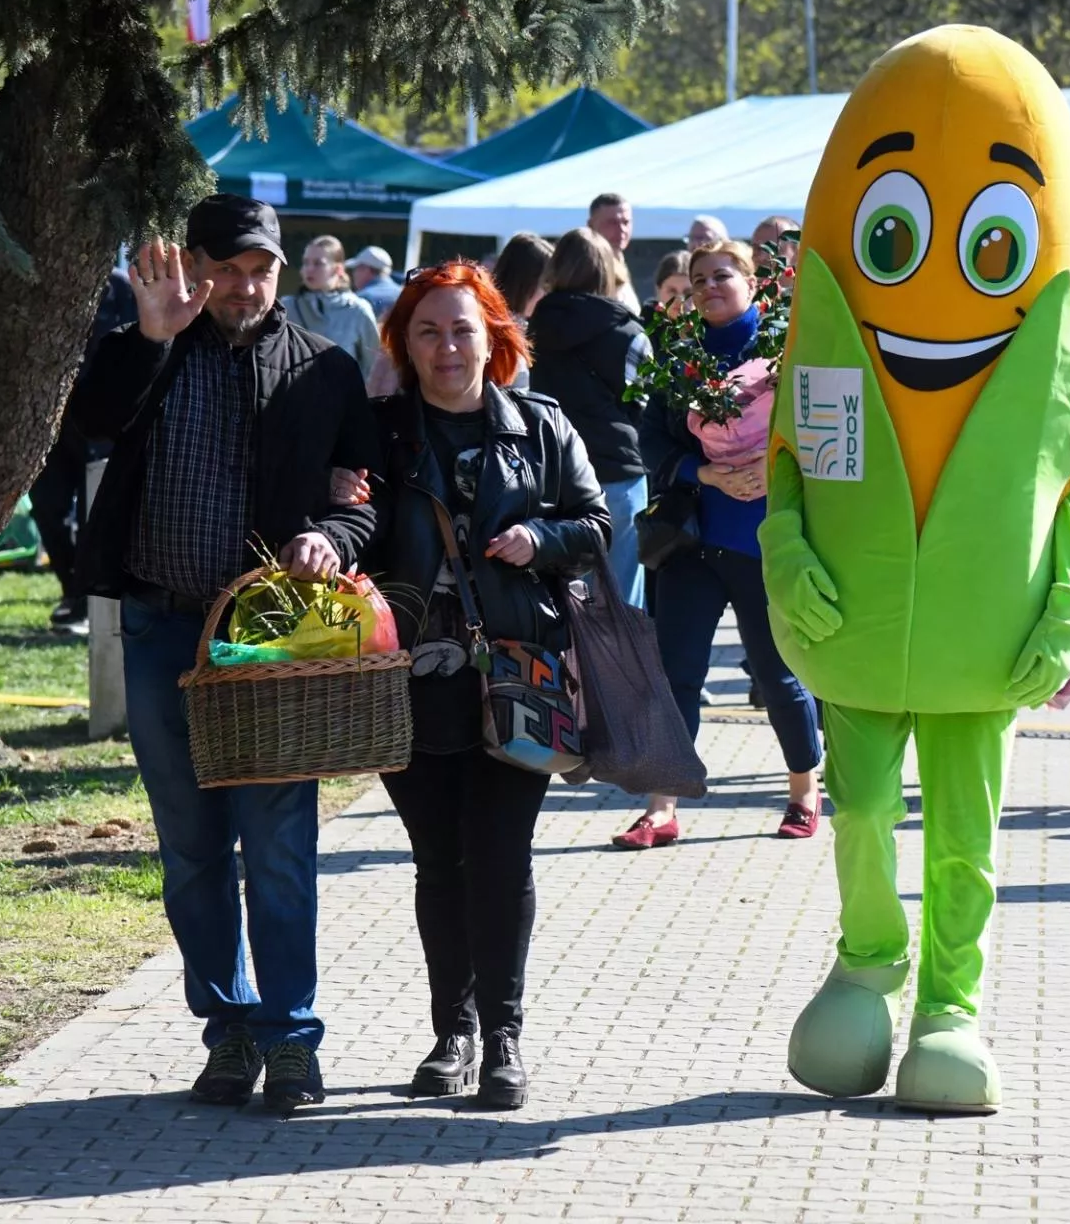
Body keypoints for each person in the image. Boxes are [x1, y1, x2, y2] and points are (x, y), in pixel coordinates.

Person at [70, 194, 382, 1113]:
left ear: (281, 272)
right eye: (230, 270)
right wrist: (152, 338)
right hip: (160, 629)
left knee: (279, 848)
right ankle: (229, 1029)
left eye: (262, 270)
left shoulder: (323, 368)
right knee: (193, 852)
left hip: (269, 645)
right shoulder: (150, 351)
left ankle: (291, 1040)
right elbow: (89, 423)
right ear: (195, 270)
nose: (247, 287)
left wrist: (334, 536)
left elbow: (361, 496)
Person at [367, 260, 610, 1109]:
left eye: (462, 328)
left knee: (501, 859)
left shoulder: (538, 426)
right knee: (439, 862)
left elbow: (596, 523)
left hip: (519, 677)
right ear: (403, 341)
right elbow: (354, 522)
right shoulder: (383, 433)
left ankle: (502, 1035)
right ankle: (452, 1032)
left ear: (494, 336)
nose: (445, 346)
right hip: (408, 682)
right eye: (426, 331)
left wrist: (538, 540)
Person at [616, 239, 824, 849]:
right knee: (676, 672)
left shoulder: (786, 349)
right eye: (698, 278)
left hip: (764, 538)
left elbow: (823, 427)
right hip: (692, 541)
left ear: (754, 281)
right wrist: (701, 473)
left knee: (778, 671)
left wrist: (777, 465)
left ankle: (803, 791)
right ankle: (662, 806)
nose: (708, 286)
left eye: (721, 275)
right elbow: (649, 443)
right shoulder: (677, 358)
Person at [526, 228, 652, 607]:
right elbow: (644, 404)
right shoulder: (628, 331)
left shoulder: (533, 330)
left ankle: (567, 668)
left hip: (553, 474)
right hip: (618, 471)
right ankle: (623, 669)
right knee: (622, 598)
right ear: (607, 270)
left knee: (562, 600)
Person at [32, 264, 133, 633]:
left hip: (101, 424)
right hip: (47, 423)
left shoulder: (122, 290)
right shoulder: (41, 279)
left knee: (95, 515)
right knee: (48, 509)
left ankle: (87, 603)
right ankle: (74, 593)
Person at [283, 235, 383, 369]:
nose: (309, 269)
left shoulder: (357, 310)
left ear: (338, 269)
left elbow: (372, 365)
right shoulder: (287, 307)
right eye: (306, 262)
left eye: (318, 263)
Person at [587, 193, 638, 309]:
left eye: (626, 222)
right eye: (612, 223)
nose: (621, 229)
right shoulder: (588, 270)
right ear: (590, 225)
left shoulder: (620, 262)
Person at [349, 245, 403, 320]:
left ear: (365, 270)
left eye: (356, 269)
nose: (353, 274)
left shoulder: (361, 299)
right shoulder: (403, 293)